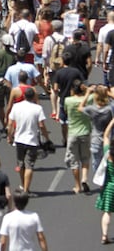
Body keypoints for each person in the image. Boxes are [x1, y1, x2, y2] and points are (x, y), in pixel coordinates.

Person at [7, 87, 51, 195]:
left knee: (21, 164)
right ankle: (26, 189)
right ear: (33, 97)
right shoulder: (37, 108)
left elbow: (10, 124)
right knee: (29, 165)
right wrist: (47, 138)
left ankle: (23, 185)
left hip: (19, 140)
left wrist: (9, 136)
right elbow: (41, 125)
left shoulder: (16, 107)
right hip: (32, 141)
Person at [64, 79, 92, 194]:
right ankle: (84, 178)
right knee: (85, 158)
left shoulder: (68, 100)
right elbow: (92, 94)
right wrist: (87, 90)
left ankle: (77, 185)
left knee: (74, 161)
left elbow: (65, 111)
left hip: (73, 133)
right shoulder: (88, 99)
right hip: (85, 132)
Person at [95, 117, 114, 245]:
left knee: (107, 212)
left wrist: (113, 121)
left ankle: (104, 235)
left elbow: (106, 135)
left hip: (109, 186)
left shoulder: (108, 154)